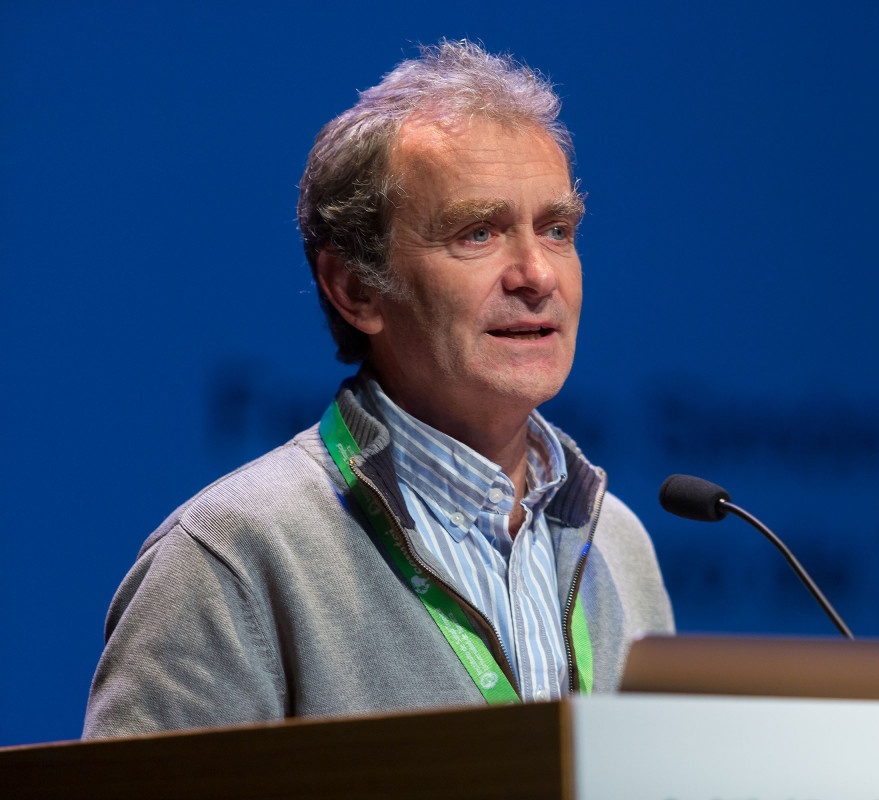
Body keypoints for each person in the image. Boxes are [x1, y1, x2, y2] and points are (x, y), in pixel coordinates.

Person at [83, 40, 674, 739]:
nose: (536, 275)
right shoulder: (232, 559)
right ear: (356, 289)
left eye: (556, 229)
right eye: (478, 233)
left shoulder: (617, 542)